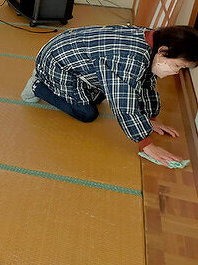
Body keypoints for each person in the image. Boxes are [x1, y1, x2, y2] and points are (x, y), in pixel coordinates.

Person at [21, 24, 198, 165]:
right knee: (87, 114)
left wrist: (151, 118)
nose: (176, 72)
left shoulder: (151, 40)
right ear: (163, 51)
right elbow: (124, 103)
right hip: (56, 63)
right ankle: (38, 85)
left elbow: (145, 81)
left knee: (100, 96)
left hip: (73, 57)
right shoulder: (130, 58)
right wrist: (146, 143)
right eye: (178, 66)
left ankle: (53, 84)